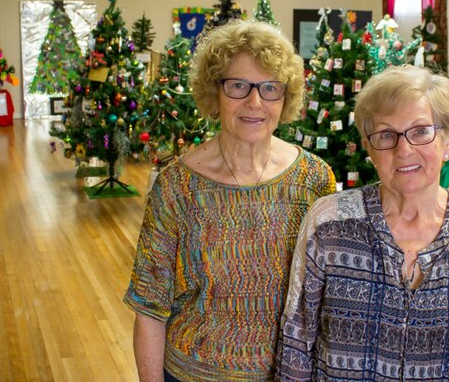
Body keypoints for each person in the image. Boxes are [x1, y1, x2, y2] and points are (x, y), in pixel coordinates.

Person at [123, 20, 336, 382]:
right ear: (214, 92)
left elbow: (329, 296)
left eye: (270, 88)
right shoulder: (178, 185)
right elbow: (149, 307)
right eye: (238, 85)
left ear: (285, 97)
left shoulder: (314, 180)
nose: (255, 102)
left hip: (287, 374)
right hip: (191, 373)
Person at [276, 64, 449, 381]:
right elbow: (296, 343)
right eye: (386, 135)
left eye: (420, 131)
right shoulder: (329, 223)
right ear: (369, 148)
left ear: (447, 141)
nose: (404, 149)